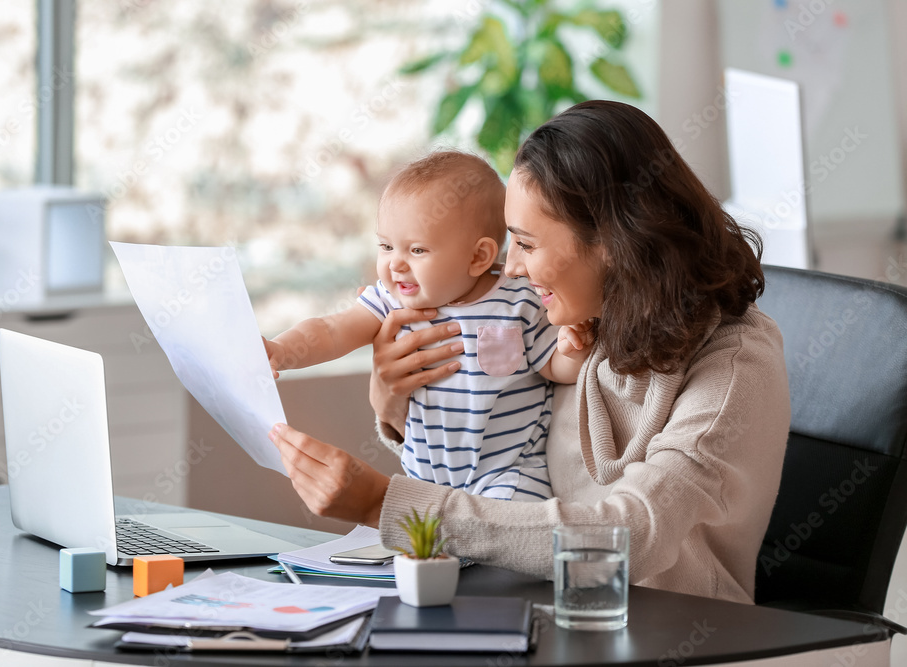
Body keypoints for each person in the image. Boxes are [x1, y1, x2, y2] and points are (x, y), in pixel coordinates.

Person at [268, 100, 790, 605]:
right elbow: (491, 442)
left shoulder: (735, 363)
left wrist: (385, 503)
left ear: (611, 242)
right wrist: (394, 404)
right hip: (540, 607)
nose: (509, 267)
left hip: (676, 635)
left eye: (527, 244)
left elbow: (629, 537)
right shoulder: (583, 318)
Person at [264, 151, 593, 501]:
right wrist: (282, 351)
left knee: (503, 536)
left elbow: (553, 368)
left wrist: (573, 350)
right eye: (386, 246)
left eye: (417, 250)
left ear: (478, 257)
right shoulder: (390, 301)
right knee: (415, 549)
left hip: (507, 473)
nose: (396, 265)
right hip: (423, 479)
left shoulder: (520, 301)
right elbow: (330, 330)